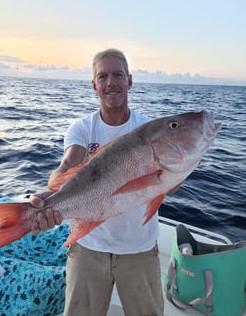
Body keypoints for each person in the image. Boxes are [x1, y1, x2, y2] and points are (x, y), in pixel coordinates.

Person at [30, 48, 164, 316]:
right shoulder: (82, 128)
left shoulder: (151, 130)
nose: (110, 82)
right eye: (102, 76)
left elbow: (172, 186)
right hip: (88, 247)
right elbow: (68, 165)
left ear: (130, 80)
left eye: (118, 74)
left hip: (139, 249)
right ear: (94, 85)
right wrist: (48, 198)